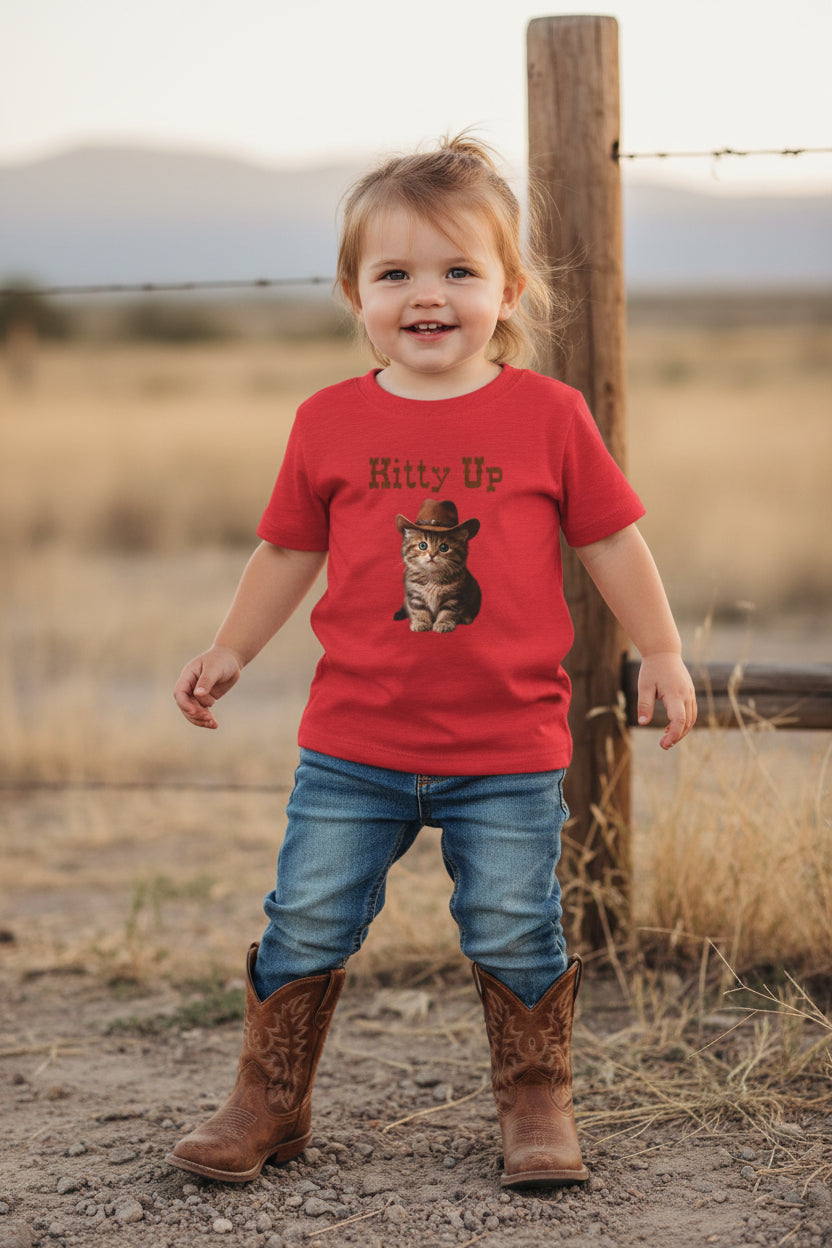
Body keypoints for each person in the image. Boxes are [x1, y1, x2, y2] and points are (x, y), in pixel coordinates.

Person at [167, 134, 697, 1189]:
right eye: (395, 272)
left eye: (460, 271)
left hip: (505, 747)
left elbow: (607, 540)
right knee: (306, 915)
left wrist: (661, 648)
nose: (428, 295)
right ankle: (268, 1101)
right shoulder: (328, 420)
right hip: (353, 745)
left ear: (508, 292)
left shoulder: (548, 416)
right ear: (353, 293)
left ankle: (535, 1107)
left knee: (513, 921)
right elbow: (289, 549)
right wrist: (233, 645)